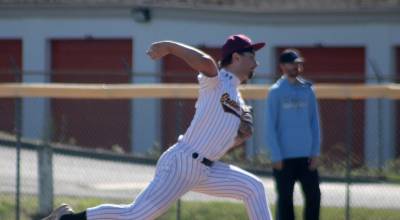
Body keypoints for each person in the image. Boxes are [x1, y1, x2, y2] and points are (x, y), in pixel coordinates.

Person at [44, 34, 272, 220]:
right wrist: (169, 47)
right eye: (252, 55)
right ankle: (66, 219)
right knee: (135, 215)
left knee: (253, 188)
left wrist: (241, 135)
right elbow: (206, 63)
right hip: (183, 163)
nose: (257, 62)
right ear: (236, 57)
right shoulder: (219, 81)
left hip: (207, 169)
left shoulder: (238, 99)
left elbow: (233, 138)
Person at [266, 49, 321, 220]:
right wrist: (276, 155)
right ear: (282, 66)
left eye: (298, 63)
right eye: (291, 63)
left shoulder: (308, 90)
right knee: (285, 201)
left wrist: (315, 152)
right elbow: (270, 126)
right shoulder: (275, 91)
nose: (296, 67)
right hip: (284, 157)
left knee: (314, 197)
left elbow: (314, 123)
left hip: (306, 157)